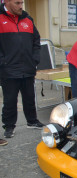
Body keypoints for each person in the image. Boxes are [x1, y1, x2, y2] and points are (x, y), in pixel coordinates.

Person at [0, 0, 44, 139]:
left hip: (28, 67)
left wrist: (34, 59)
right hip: (8, 69)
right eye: (17, 3)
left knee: (30, 97)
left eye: (22, 3)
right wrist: (3, 62)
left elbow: (36, 41)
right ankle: (9, 126)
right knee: (10, 100)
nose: (21, 6)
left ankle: (32, 121)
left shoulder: (27, 19)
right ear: (6, 1)